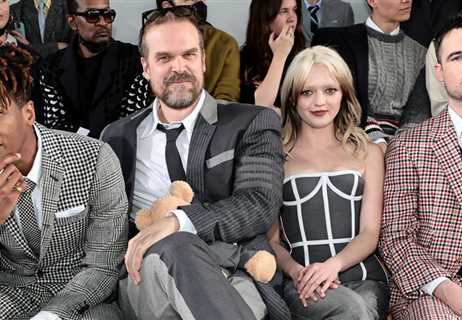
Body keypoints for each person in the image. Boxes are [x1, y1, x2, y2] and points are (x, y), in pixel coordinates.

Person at [101, 7, 290, 320]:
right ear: (145, 67)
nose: (179, 67)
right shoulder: (118, 137)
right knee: (177, 248)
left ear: (203, 59)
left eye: (189, 54)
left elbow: (259, 204)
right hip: (147, 278)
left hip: (235, 273)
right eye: (164, 58)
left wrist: (178, 220)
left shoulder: (251, 122)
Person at [0, 44, 128, 320]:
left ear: (29, 113)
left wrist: (52, 315)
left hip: (82, 295)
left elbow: (104, 265)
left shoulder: (94, 158)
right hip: (12, 294)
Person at [267, 45, 389, 320]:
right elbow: (272, 241)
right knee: (351, 309)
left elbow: (370, 232)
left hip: (365, 278)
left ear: (344, 93)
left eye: (330, 90)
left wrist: (333, 266)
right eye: (307, 92)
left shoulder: (368, 152)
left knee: (359, 307)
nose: (319, 101)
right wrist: (297, 272)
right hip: (303, 281)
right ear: (292, 98)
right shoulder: (276, 157)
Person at [379, 8, 462, 319]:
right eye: (456, 57)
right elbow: (395, 237)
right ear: (439, 72)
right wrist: (450, 291)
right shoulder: (408, 147)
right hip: (436, 292)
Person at [312, 0, 429, 145]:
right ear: (372, 1)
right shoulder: (340, 41)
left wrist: (400, 147)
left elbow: (418, 110)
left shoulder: (421, 53)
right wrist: (377, 139)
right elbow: (346, 98)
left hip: (405, 147)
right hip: (350, 137)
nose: (406, 0)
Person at [33, 0, 147, 138]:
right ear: (72, 22)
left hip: (120, 153)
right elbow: (52, 129)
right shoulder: (49, 67)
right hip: (69, 154)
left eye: (108, 15)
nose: (103, 22)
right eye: (92, 16)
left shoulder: (135, 60)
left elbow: (134, 124)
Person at [156, 0, 241, 102]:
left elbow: (227, 98)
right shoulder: (152, 42)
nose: (199, 3)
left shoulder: (224, 43)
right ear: (167, 6)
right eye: (188, 0)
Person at [240, 0, 305, 109]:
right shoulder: (244, 58)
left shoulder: (304, 56)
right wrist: (280, 55)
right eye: (283, 11)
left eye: (294, 10)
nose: (292, 18)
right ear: (265, 18)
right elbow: (260, 106)